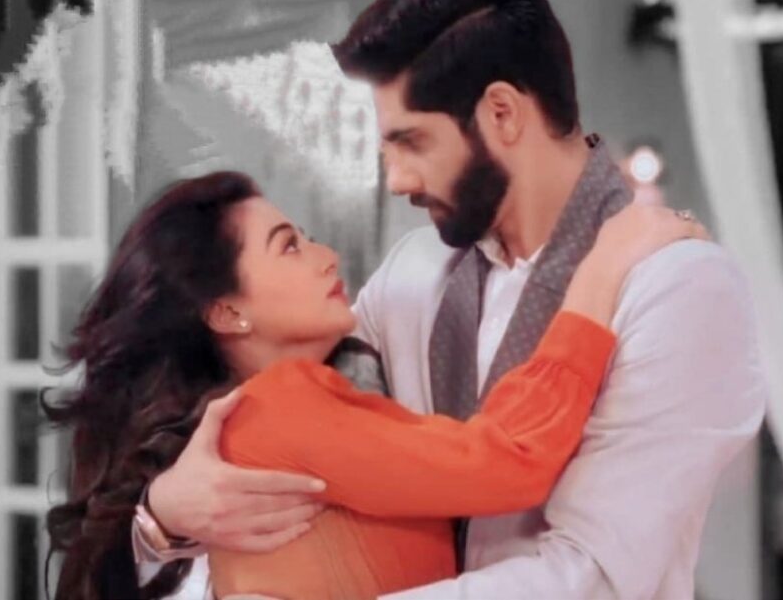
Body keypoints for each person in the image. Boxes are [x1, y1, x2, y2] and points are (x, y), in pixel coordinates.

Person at [142, 0, 768, 599]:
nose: (396, 180)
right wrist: (164, 517)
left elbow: (596, 577)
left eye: (412, 141)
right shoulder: (412, 274)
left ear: (502, 113)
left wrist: (599, 278)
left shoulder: (676, 287)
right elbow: (298, 460)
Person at [44, 170, 706, 599]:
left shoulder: (313, 391)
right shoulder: (277, 408)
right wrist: (602, 272)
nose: (326, 255)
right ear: (226, 311)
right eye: (289, 246)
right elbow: (509, 459)